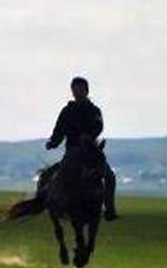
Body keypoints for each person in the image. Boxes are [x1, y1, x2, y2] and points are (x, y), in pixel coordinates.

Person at [44, 76, 119, 221]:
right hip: (72, 151)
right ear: (72, 92)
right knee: (60, 176)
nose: (77, 93)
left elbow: (99, 126)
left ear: (86, 91)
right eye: (75, 90)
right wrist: (53, 142)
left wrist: (88, 137)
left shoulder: (94, 110)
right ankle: (57, 204)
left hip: (91, 150)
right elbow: (59, 129)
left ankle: (109, 208)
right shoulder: (66, 111)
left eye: (80, 90)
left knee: (109, 176)